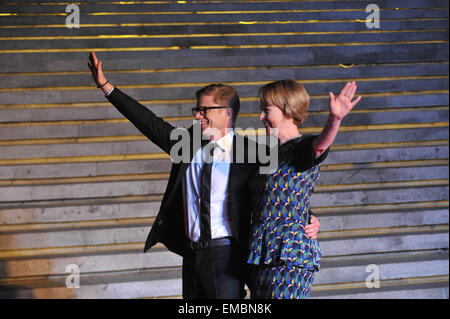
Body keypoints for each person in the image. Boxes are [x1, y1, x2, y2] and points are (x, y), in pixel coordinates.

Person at [88, 52, 321, 299]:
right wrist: (106, 87)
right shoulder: (185, 145)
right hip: (191, 255)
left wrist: (309, 216)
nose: (197, 115)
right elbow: (148, 122)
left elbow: (279, 190)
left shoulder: (254, 154)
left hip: (227, 257)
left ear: (226, 113)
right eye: (197, 110)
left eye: (203, 109)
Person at [247, 79, 361, 299]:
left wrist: (335, 119)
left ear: (287, 108)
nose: (261, 117)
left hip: (289, 256)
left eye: (266, 110)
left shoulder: (302, 148)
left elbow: (320, 145)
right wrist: (310, 215)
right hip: (262, 255)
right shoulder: (268, 154)